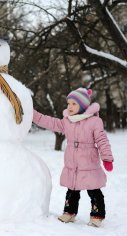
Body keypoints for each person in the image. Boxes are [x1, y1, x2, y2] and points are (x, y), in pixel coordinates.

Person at [32, 87, 114, 227]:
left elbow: (102, 140)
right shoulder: (67, 121)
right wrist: (32, 114)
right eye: (68, 103)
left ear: (82, 106)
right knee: (72, 189)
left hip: (88, 162)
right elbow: (50, 122)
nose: (69, 106)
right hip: (72, 163)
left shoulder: (94, 122)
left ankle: (97, 215)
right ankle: (69, 213)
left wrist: (107, 158)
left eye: (74, 104)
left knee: (93, 189)